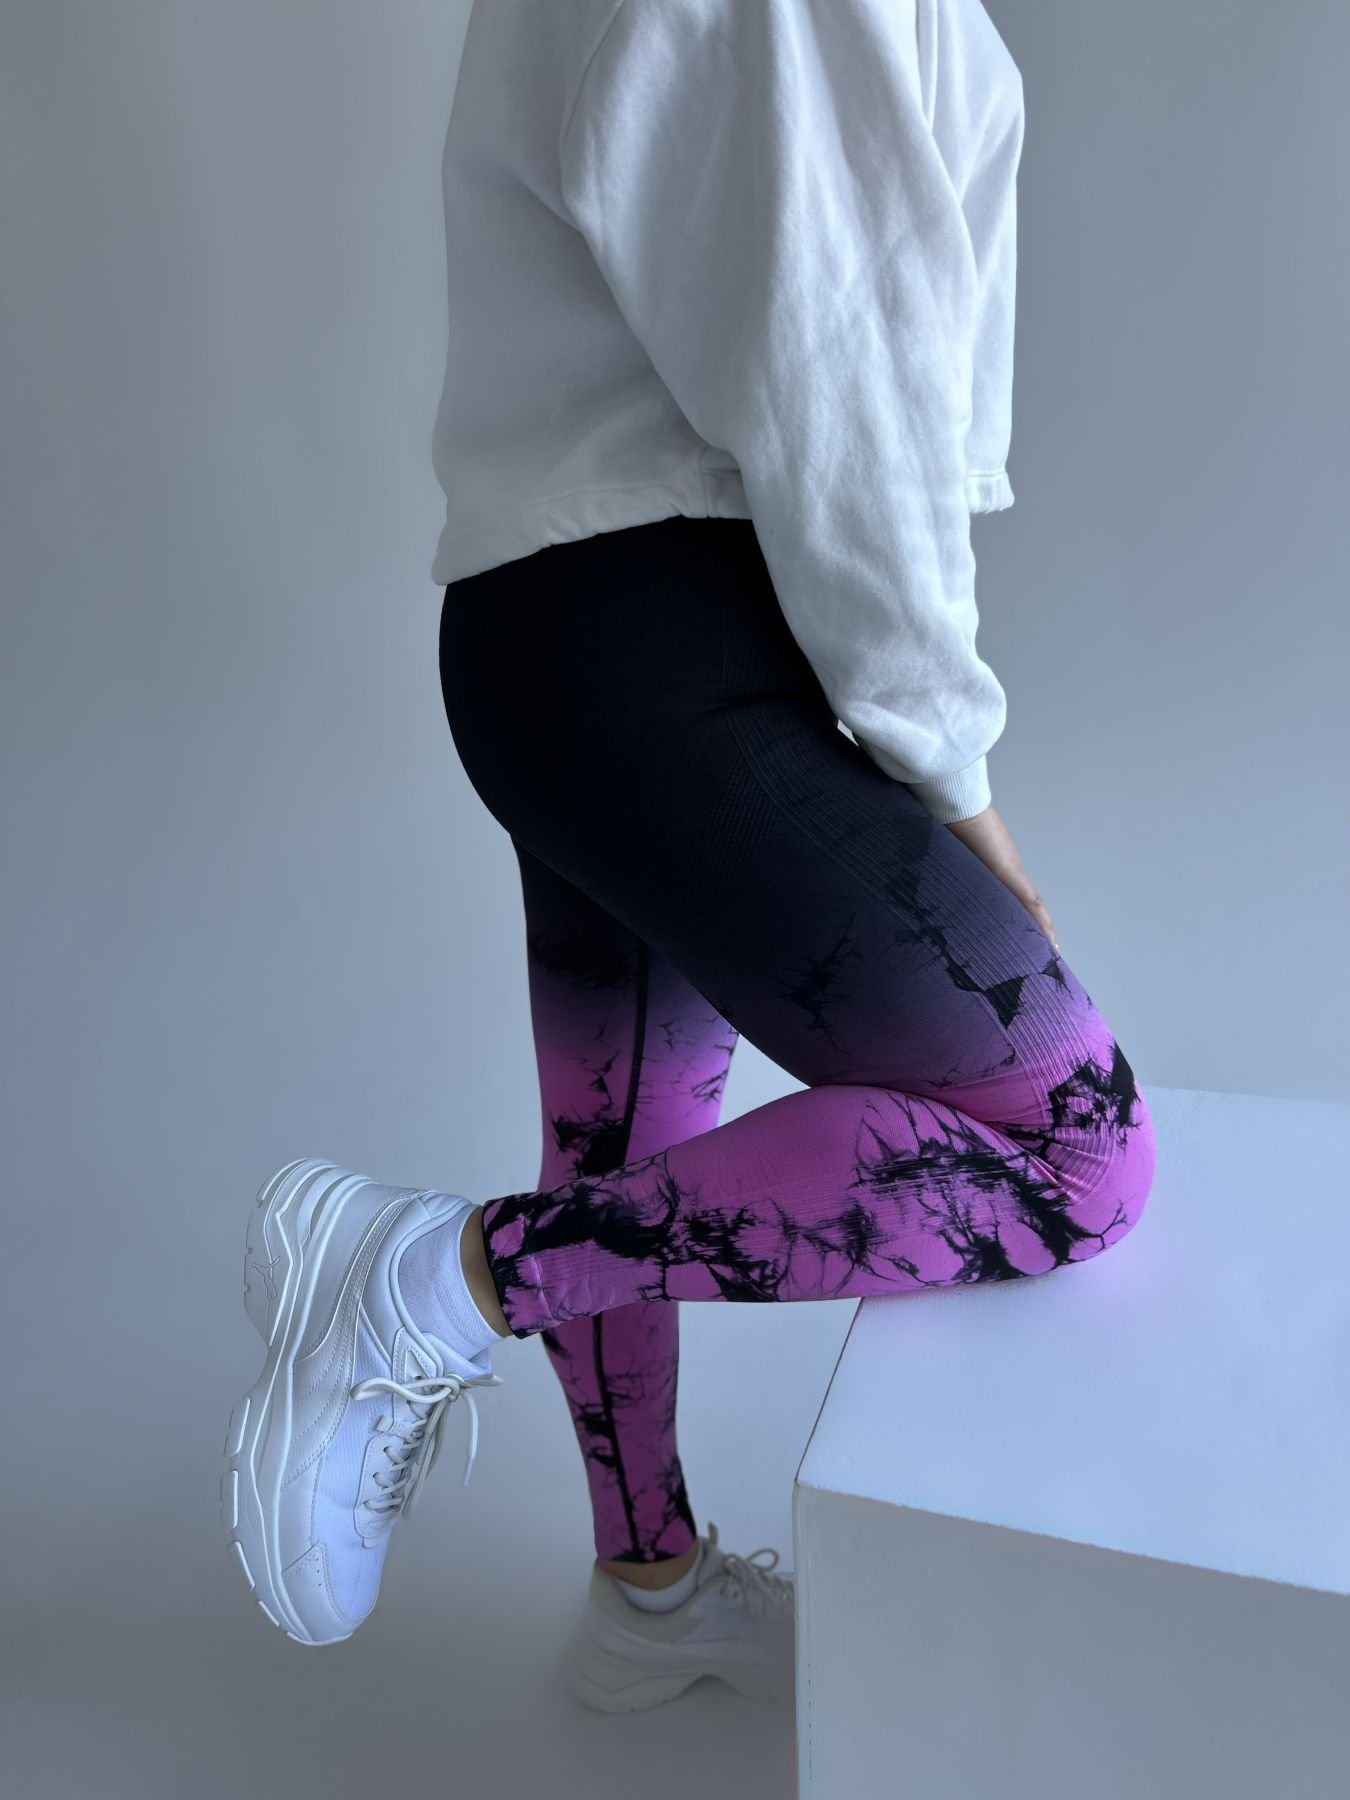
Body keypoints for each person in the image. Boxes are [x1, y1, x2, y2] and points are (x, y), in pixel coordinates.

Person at [222, 0, 1157, 1713]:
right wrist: (956, 781)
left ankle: (646, 1591)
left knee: (624, 1148)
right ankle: (430, 1282)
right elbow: (838, 374)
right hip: (678, 643)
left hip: (579, 644)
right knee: (1069, 1147)